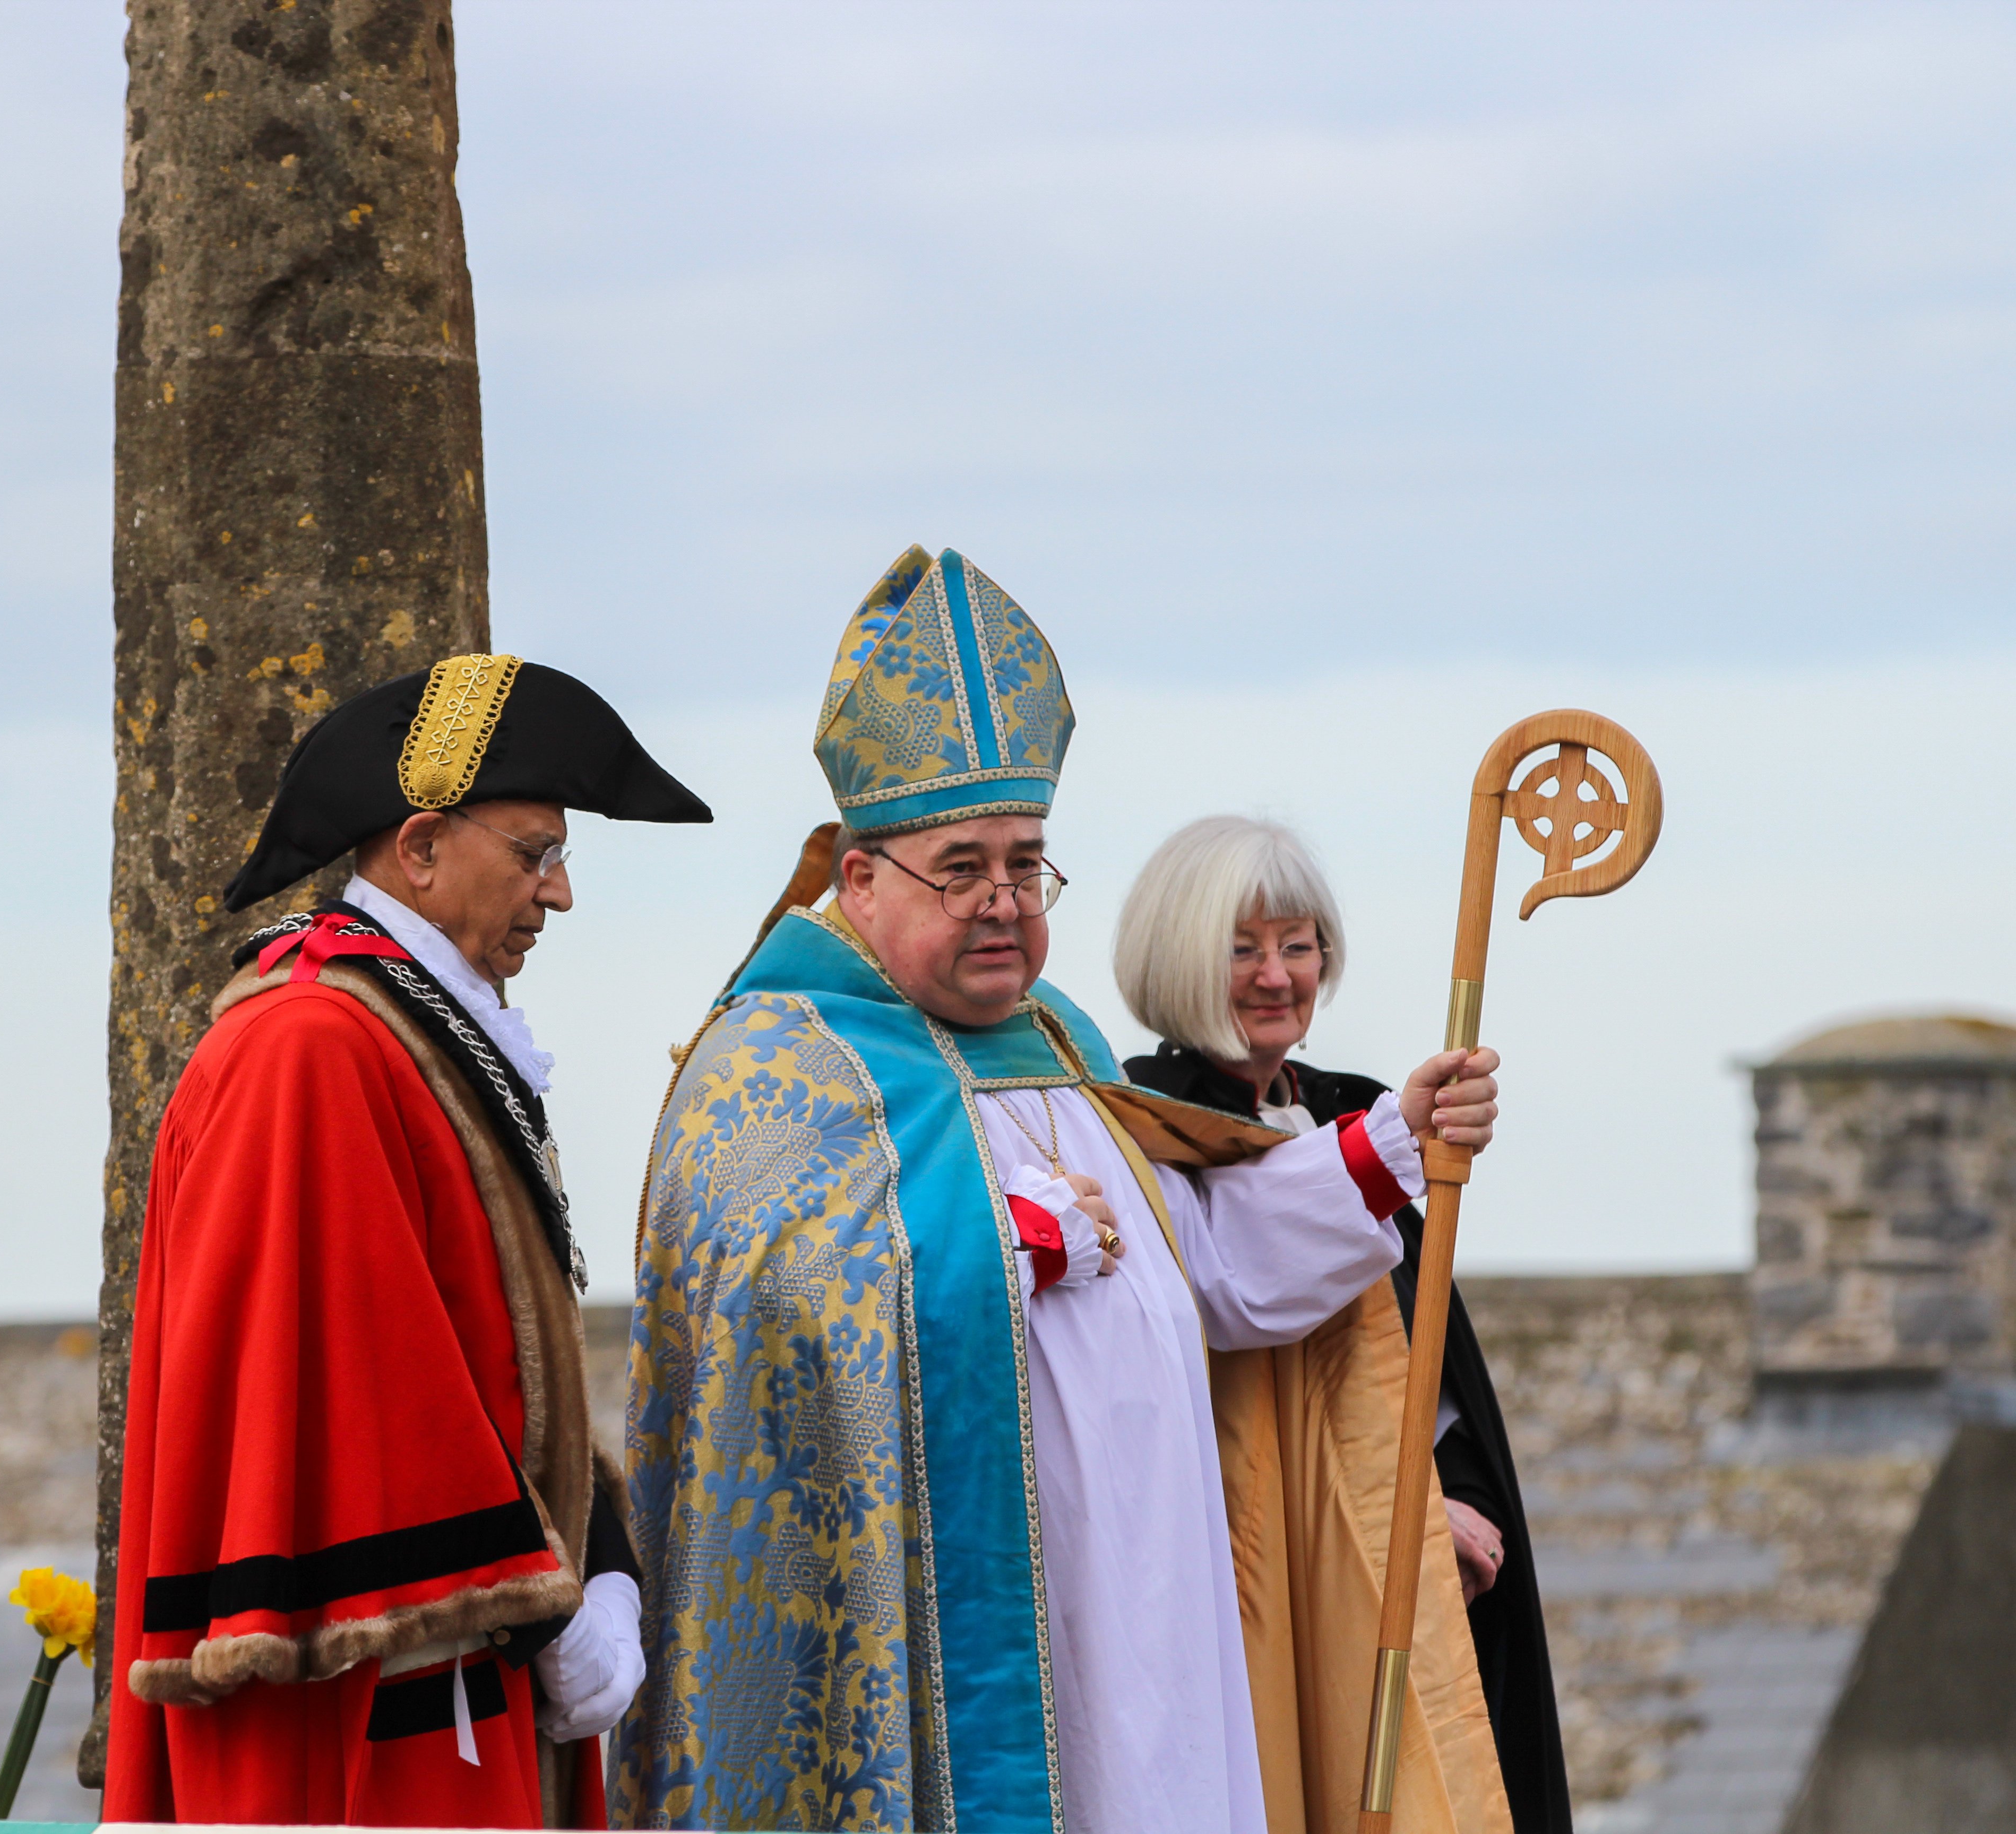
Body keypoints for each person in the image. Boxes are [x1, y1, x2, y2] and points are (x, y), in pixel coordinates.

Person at [618, 547, 1510, 1834]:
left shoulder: (1061, 1040)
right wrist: (1008, 1240)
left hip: (1157, 1614)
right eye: (962, 866)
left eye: (1027, 864)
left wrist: (1380, 1149)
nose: (1003, 903)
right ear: (857, 878)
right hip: (961, 1631)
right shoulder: (775, 1059)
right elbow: (766, 1302)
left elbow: (1195, 1266)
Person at [105, 654, 710, 1828]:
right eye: (536, 852)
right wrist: (546, 1606)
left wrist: (599, 1557)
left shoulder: (400, 1027)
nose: (561, 893)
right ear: (422, 849)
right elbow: (370, 1386)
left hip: (471, 1663)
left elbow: (497, 1354)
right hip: (385, 1705)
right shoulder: (311, 1047)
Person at [1117, 815, 1572, 1834]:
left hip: (1400, 1572)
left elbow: (1415, 1363)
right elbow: (1238, 1289)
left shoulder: (1341, 1108)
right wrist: (1388, 1144)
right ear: (1179, 959)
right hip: (1251, 1572)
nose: (1276, 975)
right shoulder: (1139, 1130)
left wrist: (1451, 1495)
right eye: (1241, 947)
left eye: (1297, 944)